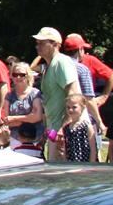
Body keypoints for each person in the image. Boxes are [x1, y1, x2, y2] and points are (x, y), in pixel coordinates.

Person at [33, 29, 80, 161]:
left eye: (42, 42)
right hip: (55, 129)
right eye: (37, 43)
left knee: (64, 174)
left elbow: (74, 95)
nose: (38, 46)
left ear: (55, 44)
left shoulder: (61, 62)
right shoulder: (49, 65)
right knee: (55, 172)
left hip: (65, 131)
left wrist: (64, 128)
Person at [2, 63, 44, 155]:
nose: (18, 77)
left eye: (21, 75)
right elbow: (7, 120)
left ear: (28, 76)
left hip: (34, 138)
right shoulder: (9, 95)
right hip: (15, 139)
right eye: (15, 74)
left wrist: (15, 119)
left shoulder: (35, 93)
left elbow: (37, 117)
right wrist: (28, 118)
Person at [54, 92, 96, 163]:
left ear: (82, 107)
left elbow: (93, 148)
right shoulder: (66, 128)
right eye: (68, 107)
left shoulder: (86, 126)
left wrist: (91, 164)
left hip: (85, 163)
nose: (70, 110)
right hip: (71, 162)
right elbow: (65, 148)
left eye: (74, 107)